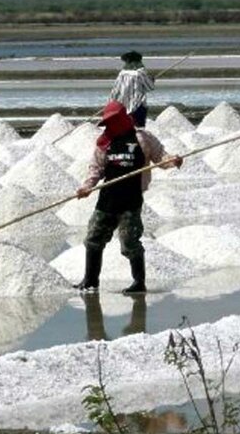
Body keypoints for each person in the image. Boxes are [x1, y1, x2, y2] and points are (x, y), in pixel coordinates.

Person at [75, 100, 182, 293]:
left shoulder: (143, 138)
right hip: (108, 200)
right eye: (108, 123)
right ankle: (90, 281)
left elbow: (161, 158)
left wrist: (173, 160)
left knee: (130, 242)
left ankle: (139, 283)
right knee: (93, 239)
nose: (109, 127)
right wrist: (87, 187)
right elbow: (96, 169)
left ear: (124, 120)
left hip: (131, 201)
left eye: (113, 122)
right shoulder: (104, 141)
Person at [109, 50, 156, 127]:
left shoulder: (121, 74)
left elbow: (115, 91)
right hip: (137, 107)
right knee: (138, 129)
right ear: (136, 62)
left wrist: (111, 105)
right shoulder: (140, 73)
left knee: (125, 129)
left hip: (123, 107)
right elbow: (150, 87)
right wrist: (152, 80)